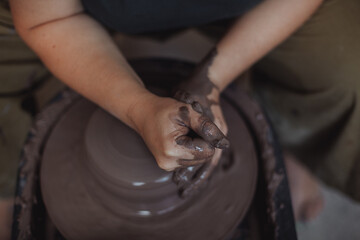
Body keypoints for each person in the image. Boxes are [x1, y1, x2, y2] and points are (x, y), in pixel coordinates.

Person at [4, 0, 360, 234]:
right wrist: (136, 107)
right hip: (84, 8)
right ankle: (7, 183)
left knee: (343, 70)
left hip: (247, 7)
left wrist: (213, 77)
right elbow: (48, 17)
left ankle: (293, 145)